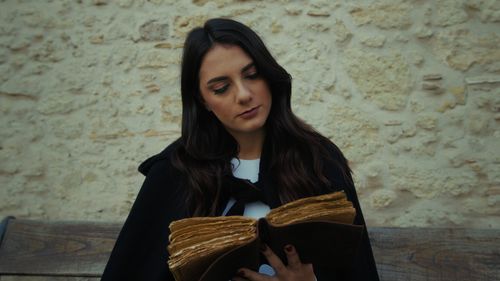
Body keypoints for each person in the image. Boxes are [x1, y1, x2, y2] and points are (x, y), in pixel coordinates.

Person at [101, 18, 379, 281]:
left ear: (269, 76)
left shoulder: (318, 162)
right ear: (203, 100)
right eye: (221, 88)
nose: (244, 95)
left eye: (252, 75)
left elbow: (357, 270)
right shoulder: (174, 173)